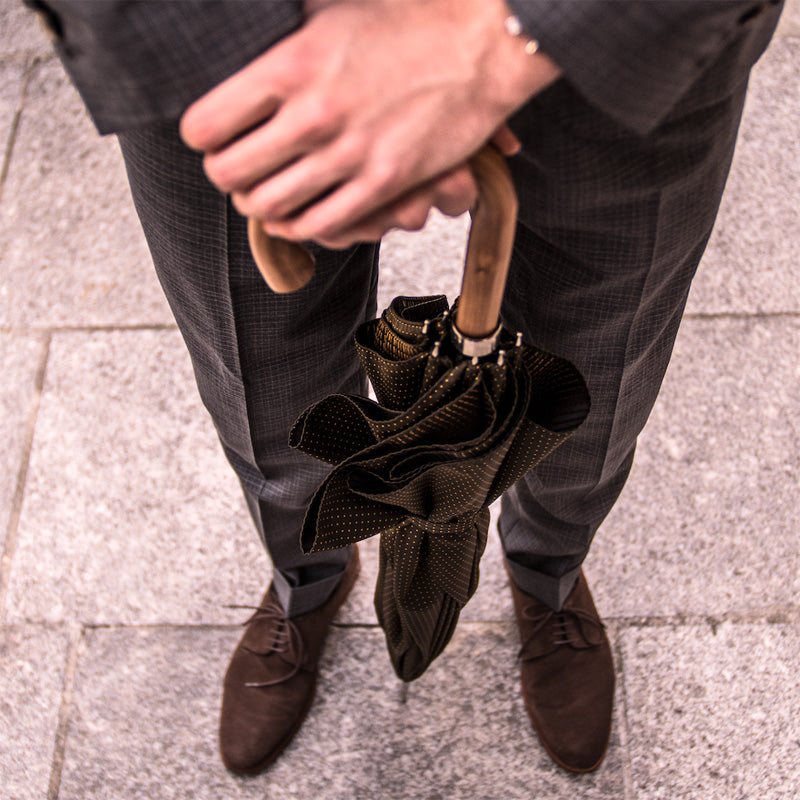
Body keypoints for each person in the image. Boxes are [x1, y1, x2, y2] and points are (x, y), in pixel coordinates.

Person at [29, 0, 783, 778]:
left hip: (618, 31)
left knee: (593, 364)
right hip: (224, 37)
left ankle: (547, 572)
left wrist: (516, 40)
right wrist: (233, 34)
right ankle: (306, 579)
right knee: (265, 373)